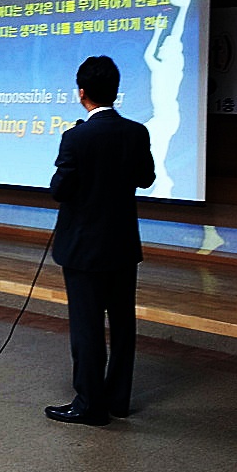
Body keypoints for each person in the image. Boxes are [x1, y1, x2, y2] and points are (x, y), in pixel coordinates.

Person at [45, 55, 156, 426]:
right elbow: (146, 179)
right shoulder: (136, 132)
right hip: (122, 245)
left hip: (83, 249)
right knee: (123, 326)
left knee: (87, 327)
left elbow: (60, 190)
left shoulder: (75, 137)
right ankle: (118, 400)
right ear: (116, 90)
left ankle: (90, 405)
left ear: (81, 93)